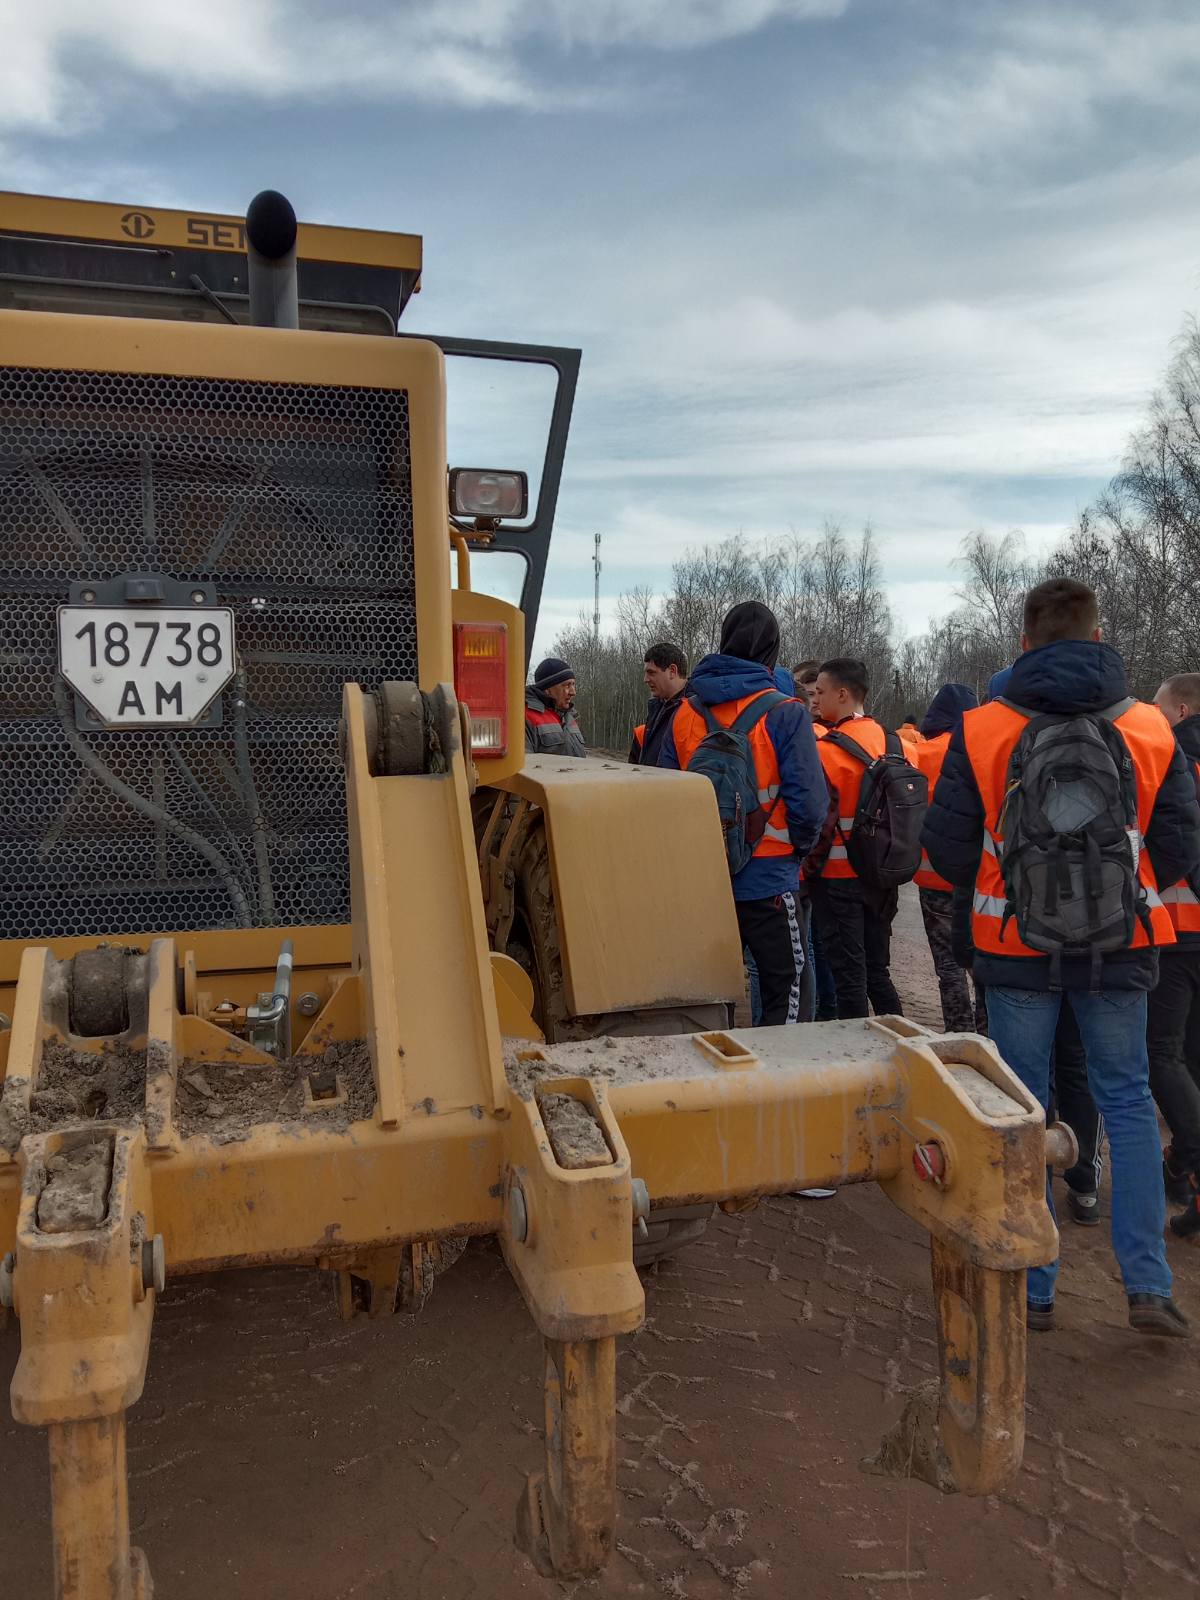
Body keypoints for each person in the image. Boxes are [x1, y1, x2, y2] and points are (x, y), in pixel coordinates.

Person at [924, 577, 1200, 1338]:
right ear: (1099, 635)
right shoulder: (1149, 725)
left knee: (1024, 1111)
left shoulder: (982, 728)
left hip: (1015, 949)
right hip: (1122, 947)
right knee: (1128, 1102)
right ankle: (1147, 1286)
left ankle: (1034, 1288)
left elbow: (947, 849)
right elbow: (1181, 844)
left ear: (1024, 642)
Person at [660, 601, 826, 1025]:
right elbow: (810, 805)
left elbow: (663, 797)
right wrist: (795, 853)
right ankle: (775, 1068)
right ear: (772, 650)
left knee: (705, 997)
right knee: (783, 991)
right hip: (769, 879)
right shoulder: (787, 713)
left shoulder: (684, 713)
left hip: (703, 881)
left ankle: (714, 1063)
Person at [804, 658, 904, 1019]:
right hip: (882, 877)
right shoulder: (893, 742)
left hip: (838, 881)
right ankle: (900, 1037)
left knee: (849, 980)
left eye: (821, 692)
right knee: (878, 972)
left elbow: (815, 819)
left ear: (843, 694)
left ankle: (857, 1049)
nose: (815, 699)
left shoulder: (824, 749)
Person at [1150, 672, 1200, 1241]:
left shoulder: (1173, 761)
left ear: (1182, 712)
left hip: (1179, 927)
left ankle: (1188, 1156)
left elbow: (1171, 845)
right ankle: (1187, 1177)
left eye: (1159, 707)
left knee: (1161, 1053)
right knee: (1192, 1057)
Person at [913, 683, 984, 1032]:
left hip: (932, 877)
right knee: (981, 961)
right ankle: (987, 1032)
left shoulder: (920, 753)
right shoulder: (981, 749)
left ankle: (958, 1029)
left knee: (948, 964)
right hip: (978, 879)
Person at [630, 642, 688, 765]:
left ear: (672, 671)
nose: (645, 679)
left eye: (651, 673)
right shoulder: (657, 708)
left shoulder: (696, 710)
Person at [525, 658, 586, 756]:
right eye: (567, 685)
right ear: (547, 690)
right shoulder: (524, 717)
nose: (573, 692)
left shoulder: (570, 717)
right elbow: (524, 763)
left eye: (573, 684)